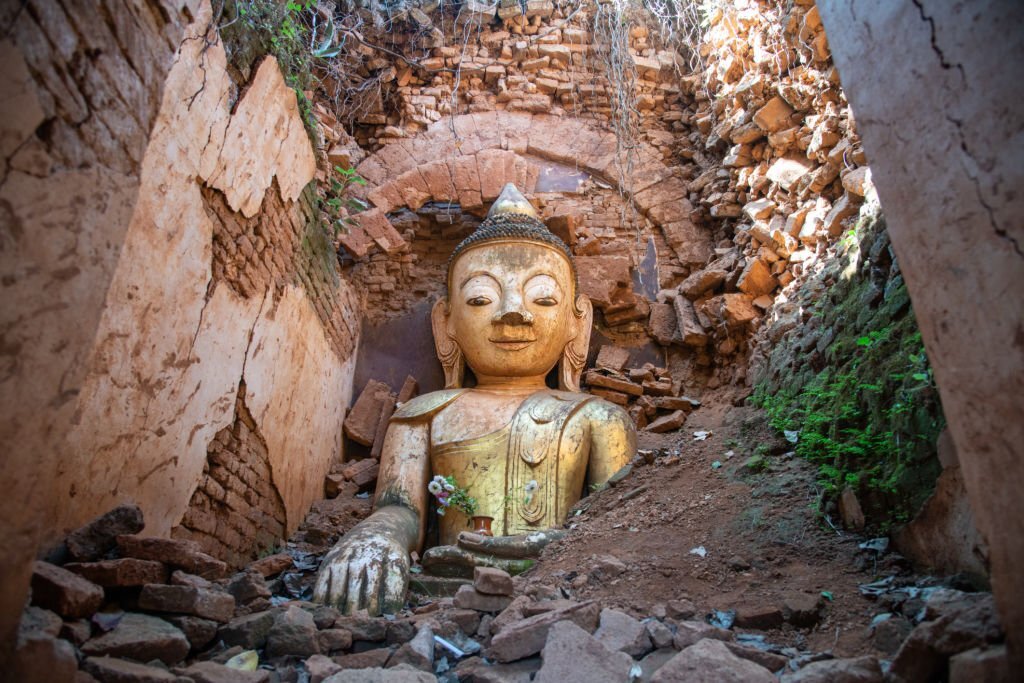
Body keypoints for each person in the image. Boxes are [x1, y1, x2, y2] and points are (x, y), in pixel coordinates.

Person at [313, 184, 636, 615]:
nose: (512, 311)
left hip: (556, 595)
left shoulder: (599, 418)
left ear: (578, 322)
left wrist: (559, 546)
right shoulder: (423, 414)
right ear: (446, 322)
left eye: (543, 298)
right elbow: (399, 507)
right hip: (446, 589)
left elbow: (616, 526)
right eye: (481, 298)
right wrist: (377, 536)